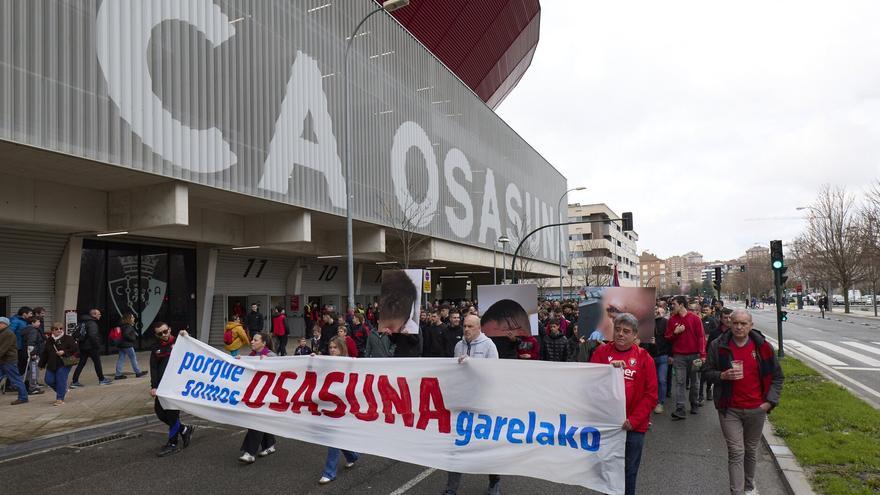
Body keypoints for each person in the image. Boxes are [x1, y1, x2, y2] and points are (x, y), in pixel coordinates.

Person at [703, 309, 783, 495]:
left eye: (743, 323)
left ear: (751, 326)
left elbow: (777, 377)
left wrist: (769, 402)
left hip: (757, 408)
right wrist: (722, 375)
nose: (739, 327)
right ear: (729, 323)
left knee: (750, 450)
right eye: (735, 323)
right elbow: (706, 372)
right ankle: (737, 492)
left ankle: (748, 486)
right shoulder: (718, 345)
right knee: (736, 451)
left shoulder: (763, 347)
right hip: (729, 408)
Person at [591, 313, 657, 495]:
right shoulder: (601, 353)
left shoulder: (644, 358)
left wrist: (634, 420)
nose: (620, 334)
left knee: (629, 472)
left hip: (633, 428)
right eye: (617, 330)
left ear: (635, 335)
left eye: (626, 331)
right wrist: (607, 372)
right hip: (607, 426)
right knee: (607, 471)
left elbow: (651, 395)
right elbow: (591, 384)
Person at [442, 314, 500, 494]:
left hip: (483, 405)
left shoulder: (489, 345)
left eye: (470, 326)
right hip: (463, 404)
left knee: (488, 448)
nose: (466, 329)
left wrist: (472, 365)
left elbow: (495, 375)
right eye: (464, 326)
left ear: (479, 328)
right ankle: (451, 489)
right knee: (456, 447)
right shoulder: (459, 346)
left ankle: (494, 484)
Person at [318, 336, 360, 484]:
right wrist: (311, 359)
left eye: (335, 348)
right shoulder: (327, 362)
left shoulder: (350, 363)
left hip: (345, 406)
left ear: (342, 349)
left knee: (333, 437)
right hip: (331, 405)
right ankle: (352, 456)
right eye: (330, 347)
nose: (332, 350)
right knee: (334, 435)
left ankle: (329, 472)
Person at [149, 322, 195, 457]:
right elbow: (154, 368)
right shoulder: (155, 348)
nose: (164, 335)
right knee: (160, 413)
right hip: (162, 386)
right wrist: (154, 386)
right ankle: (185, 429)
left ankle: (173, 443)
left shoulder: (180, 342)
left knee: (172, 415)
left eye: (165, 331)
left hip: (176, 386)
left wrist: (187, 336)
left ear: (169, 329)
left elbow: (194, 349)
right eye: (160, 333)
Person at [664, 295, 706, 419]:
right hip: (679, 356)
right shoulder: (672, 320)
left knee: (695, 382)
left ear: (681, 304)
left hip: (694, 355)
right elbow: (668, 338)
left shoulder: (695, 319)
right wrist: (675, 333)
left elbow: (701, 337)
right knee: (680, 382)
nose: (672, 306)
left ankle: (694, 403)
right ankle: (680, 408)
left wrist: (703, 355)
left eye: (674, 304)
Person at [238, 332, 278, 463]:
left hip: (266, 396)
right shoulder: (251, 356)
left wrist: (266, 363)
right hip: (254, 395)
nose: (252, 342)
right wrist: (240, 361)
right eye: (252, 340)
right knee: (259, 420)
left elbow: (278, 373)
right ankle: (269, 444)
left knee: (255, 420)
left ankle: (250, 452)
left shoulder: (271, 356)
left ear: (264, 343)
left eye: (255, 340)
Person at [639, 305, 671, 414]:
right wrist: (648, 343)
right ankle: (648, 402)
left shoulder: (665, 322)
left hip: (662, 356)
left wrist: (671, 355)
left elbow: (669, 339)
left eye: (656, 309)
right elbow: (640, 342)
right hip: (648, 357)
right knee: (648, 381)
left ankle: (660, 403)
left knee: (662, 380)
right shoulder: (643, 324)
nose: (655, 311)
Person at [71, 309, 112, 387]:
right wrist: (97, 346)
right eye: (98, 314)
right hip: (91, 347)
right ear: (93, 315)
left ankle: (74, 381)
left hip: (83, 346)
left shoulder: (82, 322)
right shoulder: (92, 323)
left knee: (81, 364)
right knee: (97, 363)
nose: (100, 315)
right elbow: (93, 336)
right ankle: (102, 380)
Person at [39, 322, 78, 405]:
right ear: (52, 331)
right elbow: (45, 353)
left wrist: (64, 352)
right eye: (56, 329)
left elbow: (75, 348)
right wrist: (41, 364)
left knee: (60, 379)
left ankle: (60, 399)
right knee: (48, 380)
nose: (59, 330)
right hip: (52, 363)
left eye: (61, 329)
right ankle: (62, 390)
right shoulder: (49, 340)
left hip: (65, 362)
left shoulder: (68, 338)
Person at [0, 317, 29, 405]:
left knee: (15, 379)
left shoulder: (7, 333)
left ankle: (23, 397)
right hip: (4, 360)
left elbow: (2, 349)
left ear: (5, 324)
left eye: (0, 323)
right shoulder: (3, 332)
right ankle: (23, 397)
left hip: (8, 360)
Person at [114, 312, 147, 380]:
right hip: (127, 345)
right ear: (128, 319)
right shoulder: (128, 326)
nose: (134, 318)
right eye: (132, 317)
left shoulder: (122, 325)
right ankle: (138, 372)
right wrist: (133, 338)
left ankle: (118, 374)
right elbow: (126, 334)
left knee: (121, 359)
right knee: (133, 358)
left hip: (122, 345)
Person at [20, 316, 45, 394]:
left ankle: (25, 384)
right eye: (38, 322)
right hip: (33, 354)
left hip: (28, 353)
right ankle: (32, 388)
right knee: (34, 371)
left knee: (30, 370)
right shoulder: (33, 330)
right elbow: (31, 342)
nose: (39, 323)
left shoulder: (27, 329)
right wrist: (33, 353)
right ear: (32, 323)